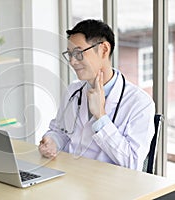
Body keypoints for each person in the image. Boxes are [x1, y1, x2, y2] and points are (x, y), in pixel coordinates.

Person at [38, 19, 155, 171]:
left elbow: (133, 163)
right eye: (70, 54)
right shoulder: (73, 91)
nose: (72, 61)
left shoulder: (140, 103)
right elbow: (60, 132)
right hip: (70, 178)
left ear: (104, 49)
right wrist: (52, 142)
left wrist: (101, 116)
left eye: (79, 53)